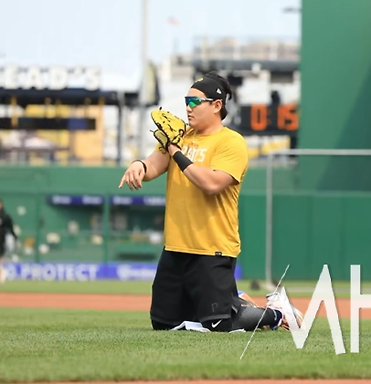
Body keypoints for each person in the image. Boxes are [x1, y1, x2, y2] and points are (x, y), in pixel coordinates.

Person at [118, 71, 303, 332]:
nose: (187, 107)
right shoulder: (179, 136)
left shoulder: (231, 142)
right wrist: (138, 165)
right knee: (163, 324)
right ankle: (236, 302)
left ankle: (275, 313)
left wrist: (176, 152)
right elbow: (153, 165)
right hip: (176, 245)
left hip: (213, 247)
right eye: (186, 100)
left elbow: (212, 184)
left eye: (195, 102)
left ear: (217, 106)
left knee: (220, 324)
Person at [0, 199, 18, 284]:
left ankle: (2, 277)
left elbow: (10, 229)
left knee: (1, 260)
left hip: (1, 240)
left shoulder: (5, 217)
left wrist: (15, 238)